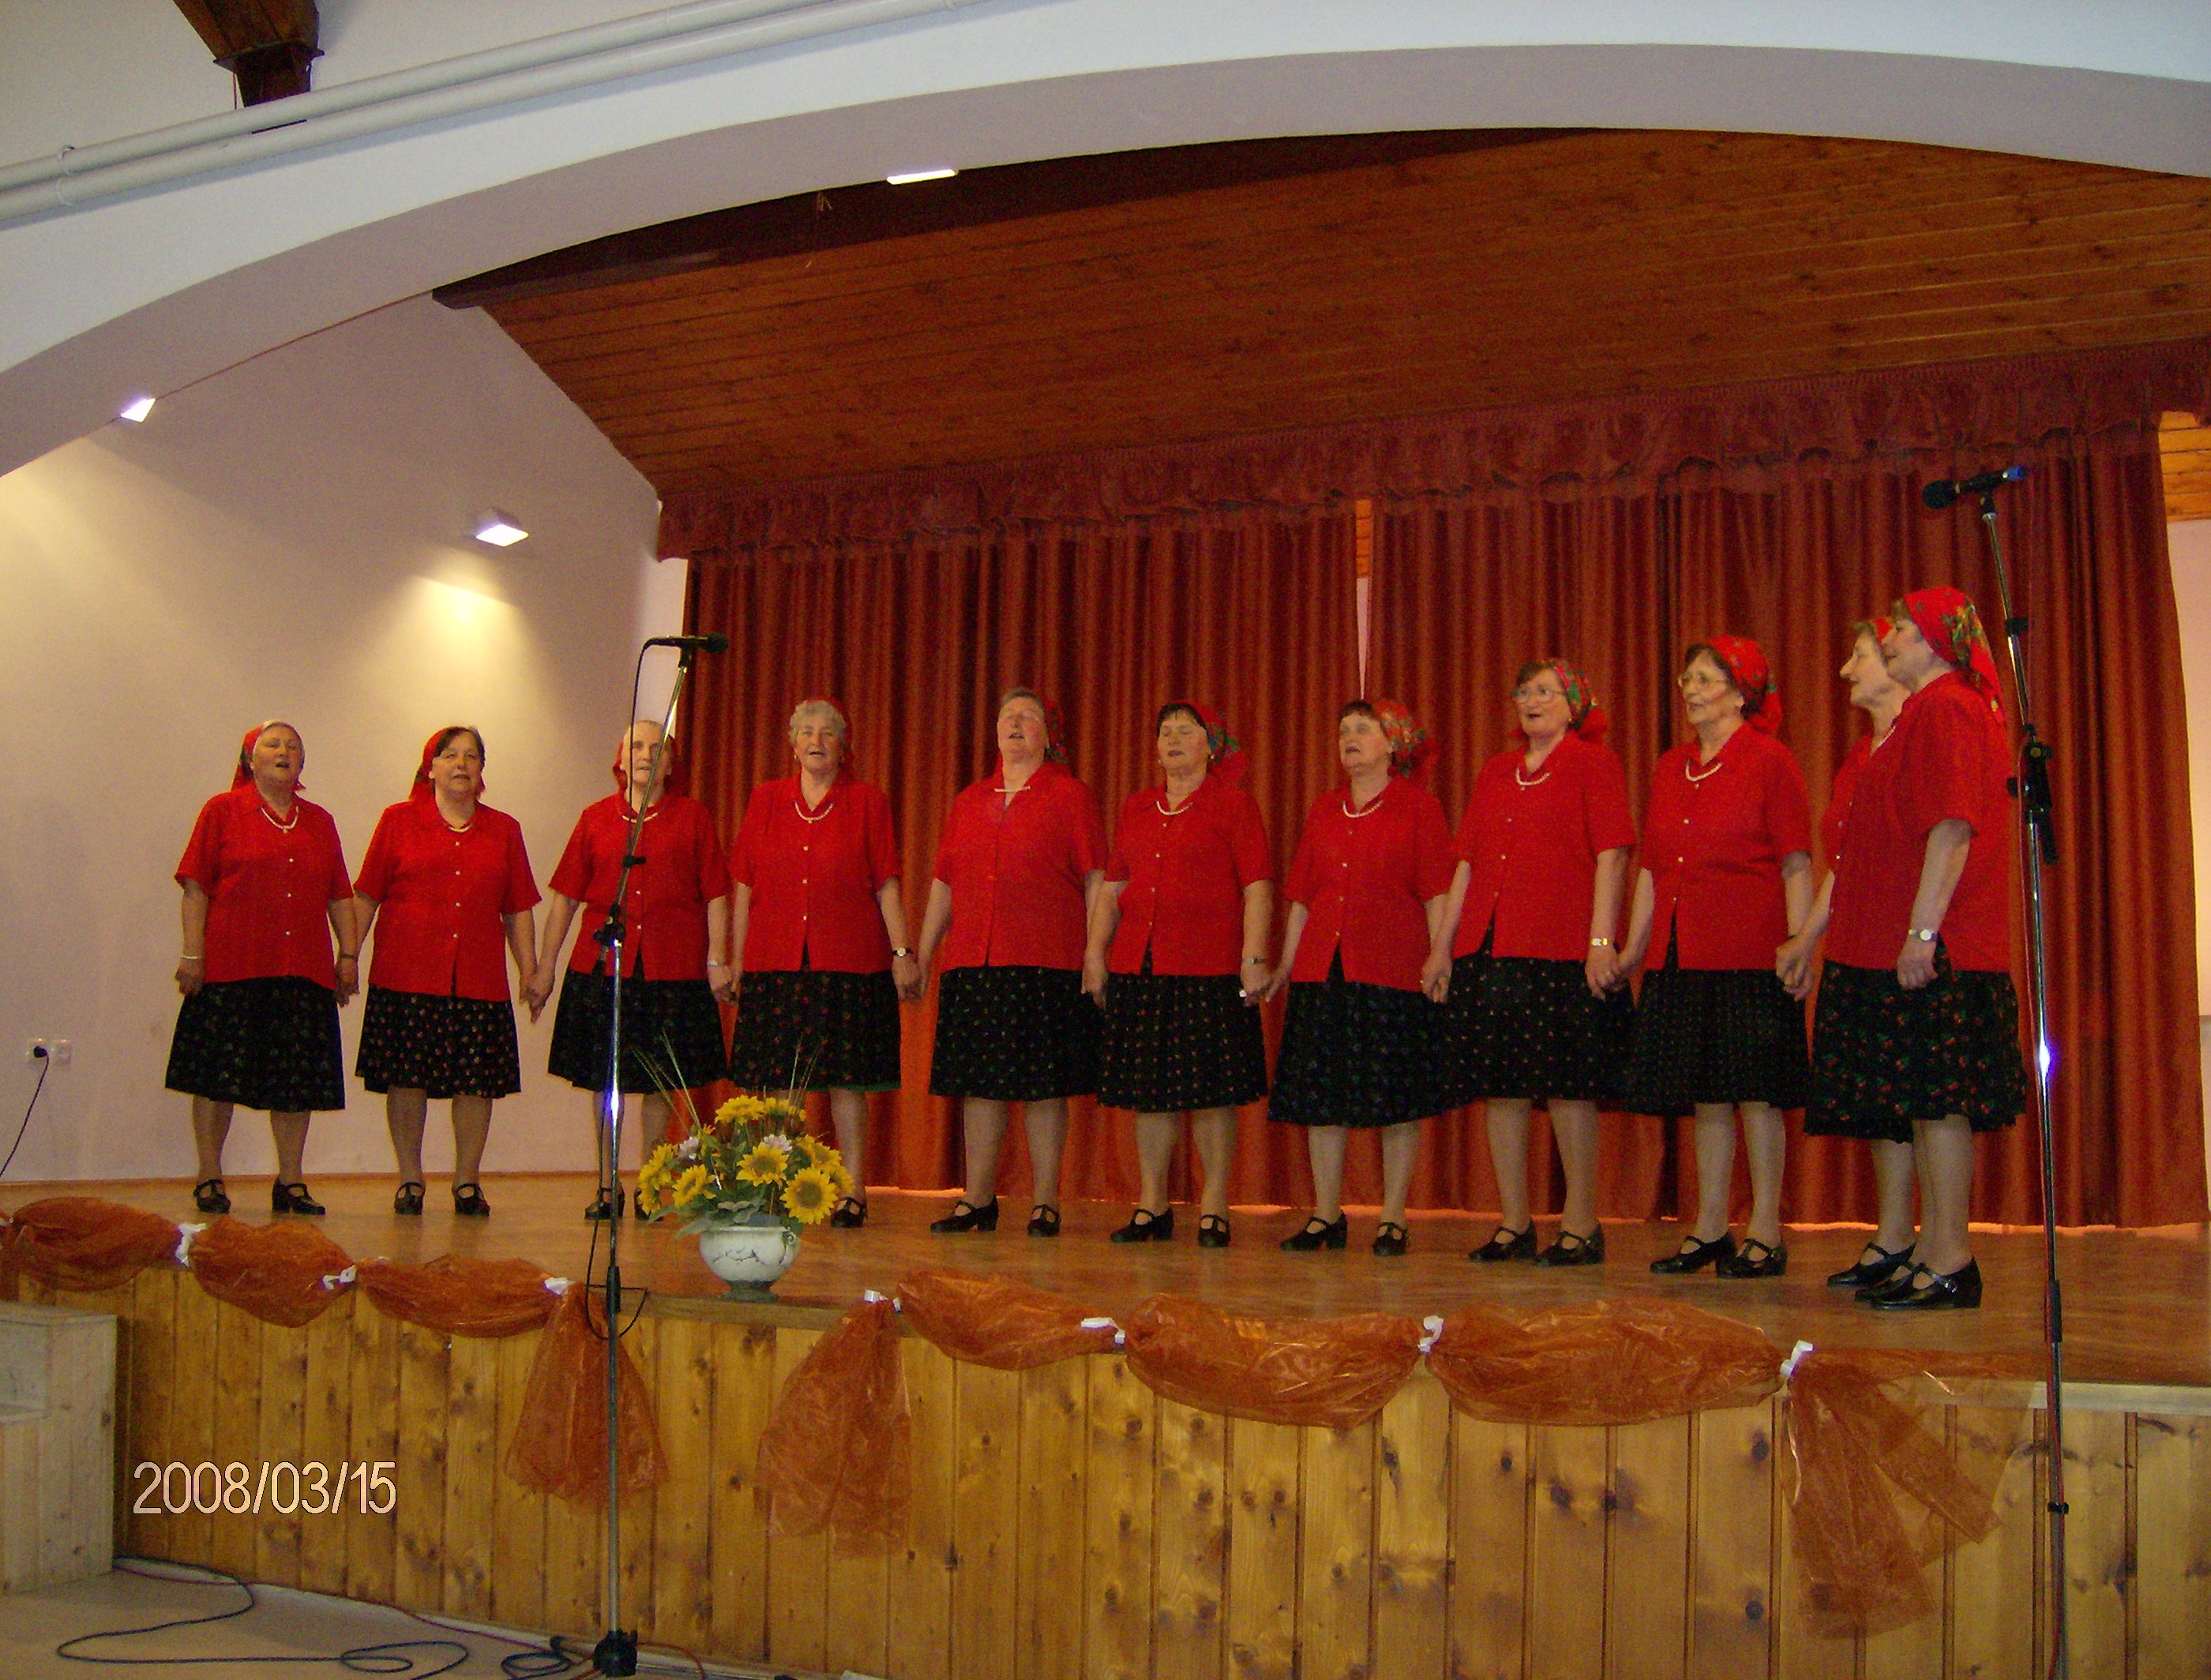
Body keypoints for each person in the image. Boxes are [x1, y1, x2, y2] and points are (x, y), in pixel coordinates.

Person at [1805, 588, 2024, 1310]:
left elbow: (1953, 827)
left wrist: (1923, 931)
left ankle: (1952, 1256)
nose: (1889, 637)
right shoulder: (1924, 712)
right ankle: (1932, 1252)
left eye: (1899, 627)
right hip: (1920, 938)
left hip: (1945, 940)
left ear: (1933, 639)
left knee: (1940, 1106)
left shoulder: (1948, 707)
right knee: (1925, 1106)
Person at [1619, 638, 1814, 1278]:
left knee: (1756, 1093)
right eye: (1687, 679)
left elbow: (1795, 860)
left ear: (1741, 693)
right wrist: (1634, 948)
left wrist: (1799, 942)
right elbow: (1653, 867)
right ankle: (1709, 1227)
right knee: (1705, 1093)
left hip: (1750, 948)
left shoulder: (1770, 760)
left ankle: (1766, 1229)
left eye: (1705, 679)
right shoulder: (1671, 766)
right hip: (1682, 948)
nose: (1691, 690)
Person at [1431, 662, 1636, 1267]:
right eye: (1523, 691)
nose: (1531, 700)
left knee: (1571, 1088)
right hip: (1492, 946)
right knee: (1502, 1089)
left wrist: (1601, 940)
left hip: (1562, 947)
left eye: (1545, 691)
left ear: (1574, 705)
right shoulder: (1496, 771)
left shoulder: (1594, 764)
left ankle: (1581, 1224)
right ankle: (1514, 1223)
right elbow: (1467, 862)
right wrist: (1443, 946)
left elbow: (1613, 853)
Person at [1264, 699, 1455, 1257]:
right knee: (1321, 1097)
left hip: (1393, 969)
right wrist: (1286, 965)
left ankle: (1393, 1215)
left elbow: (1437, 894)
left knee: (1397, 1098)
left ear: (1393, 744)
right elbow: (1303, 898)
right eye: (1343, 729)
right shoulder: (1324, 809)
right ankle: (1326, 1214)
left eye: (1363, 729)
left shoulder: (1419, 808)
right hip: (1323, 968)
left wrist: (1439, 958)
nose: (1349, 738)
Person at [525, 721, 734, 1221]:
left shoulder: (694, 818)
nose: (646, 754)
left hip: (672, 967)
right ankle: (606, 1184)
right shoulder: (595, 818)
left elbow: (717, 896)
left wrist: (717, 960)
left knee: (660, 1081)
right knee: (606, 1080)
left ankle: (650, 1183)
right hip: (603, 966)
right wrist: (545, 967)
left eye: (657, 747)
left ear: (670, 763)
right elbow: (565, 899)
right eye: (636, 746)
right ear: (620, 759)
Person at [917, 688, 1106, 1237]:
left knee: (1044, 1086)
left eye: (1028, 716)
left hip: (1047, 957)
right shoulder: (969, 800)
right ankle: (977, 1199)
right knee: (980, 1085)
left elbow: (1096, 879)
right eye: (1007, 716)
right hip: (974, 959)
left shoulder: (1070, 795)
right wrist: (923, 953)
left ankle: (1045, 1201)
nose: (1016, 723)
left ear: (1049, 735)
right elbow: (944, 882)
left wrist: (1095, 953)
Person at [1083, 701, 1272, 1247]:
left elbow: (1257, 885)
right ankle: (1152, 1203)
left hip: (1209, 966)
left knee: (1212, 1092)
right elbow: (1113, 889)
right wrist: (1095, 954)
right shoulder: (1137, 808)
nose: (1173, 739)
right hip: (1140, 964)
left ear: (1210, 747)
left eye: (1185, 731)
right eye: (1165, 731)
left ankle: (1214, 1203)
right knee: (1150, 1092)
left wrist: (1253, 957)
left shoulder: (1233, 805)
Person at [723, 699, 918, 1226]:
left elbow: (887, 884)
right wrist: (736, 959)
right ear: (792, 744)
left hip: (849, 961)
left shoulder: (868, 802)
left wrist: (903, 952)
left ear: (842, 745)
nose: (816, 740)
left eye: (827, 733)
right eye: (806, 732)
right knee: (780, 1082)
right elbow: (743, 886)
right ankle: (778, 1183)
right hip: (775, 959)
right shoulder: (766, 799)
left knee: (846, 1083)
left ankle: (852, 1191)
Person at [167, 722, 358, 1216]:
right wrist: (193, 954)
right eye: (273, 744)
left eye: (294, 745)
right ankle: (210, 1176)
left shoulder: (320, 822)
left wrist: (348, 955)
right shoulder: (222, 811)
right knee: (215, 1079)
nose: (284, 751)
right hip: (232, 968)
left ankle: (290, 1182)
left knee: (295, 1085)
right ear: (250, 759)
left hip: (302, 971)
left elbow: (340, 894)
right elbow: (196, 887)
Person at [1778, 620, 1918, 1292]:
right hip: (1858, 946)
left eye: (1860, 655)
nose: (1846, 669)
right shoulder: (1862, 754)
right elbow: (1843, 860)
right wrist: (1807, 937)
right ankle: (1893, 1234)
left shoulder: (1920, 740)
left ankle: (1934, 1243)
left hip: (1907, 943)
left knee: (1920, 1099)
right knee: (1880, 1102)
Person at [351, 727, 541, 1217]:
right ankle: (410, 1179)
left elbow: (518, 908)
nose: (461, 764)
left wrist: (530, 970)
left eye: (471, 756)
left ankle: (467, 1181)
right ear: (430, 767)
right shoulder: (397, 821)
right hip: (406, 973)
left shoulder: (504, 830)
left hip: (478, 975)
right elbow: (367, 894)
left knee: (475, 1083)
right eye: (451, 755)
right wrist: (348, 955)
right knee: (406, 1079)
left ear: (481, 769)